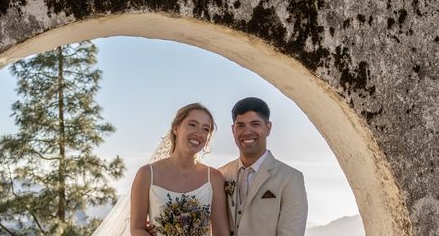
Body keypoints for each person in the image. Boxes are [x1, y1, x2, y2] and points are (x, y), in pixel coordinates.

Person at [130, 103, 230, 236]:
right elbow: (137, 229)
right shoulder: (147, 174)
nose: (199, 133)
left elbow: (221, 232)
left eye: (206, 129)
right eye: (192, 125)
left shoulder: (214, 178)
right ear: (176, 128)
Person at [219, 97, 307, 236]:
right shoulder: (221, 174)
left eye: (255, 124)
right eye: (240, 125)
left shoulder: (291, 178)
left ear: (268, 128)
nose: (247, 131)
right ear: (233, 130)